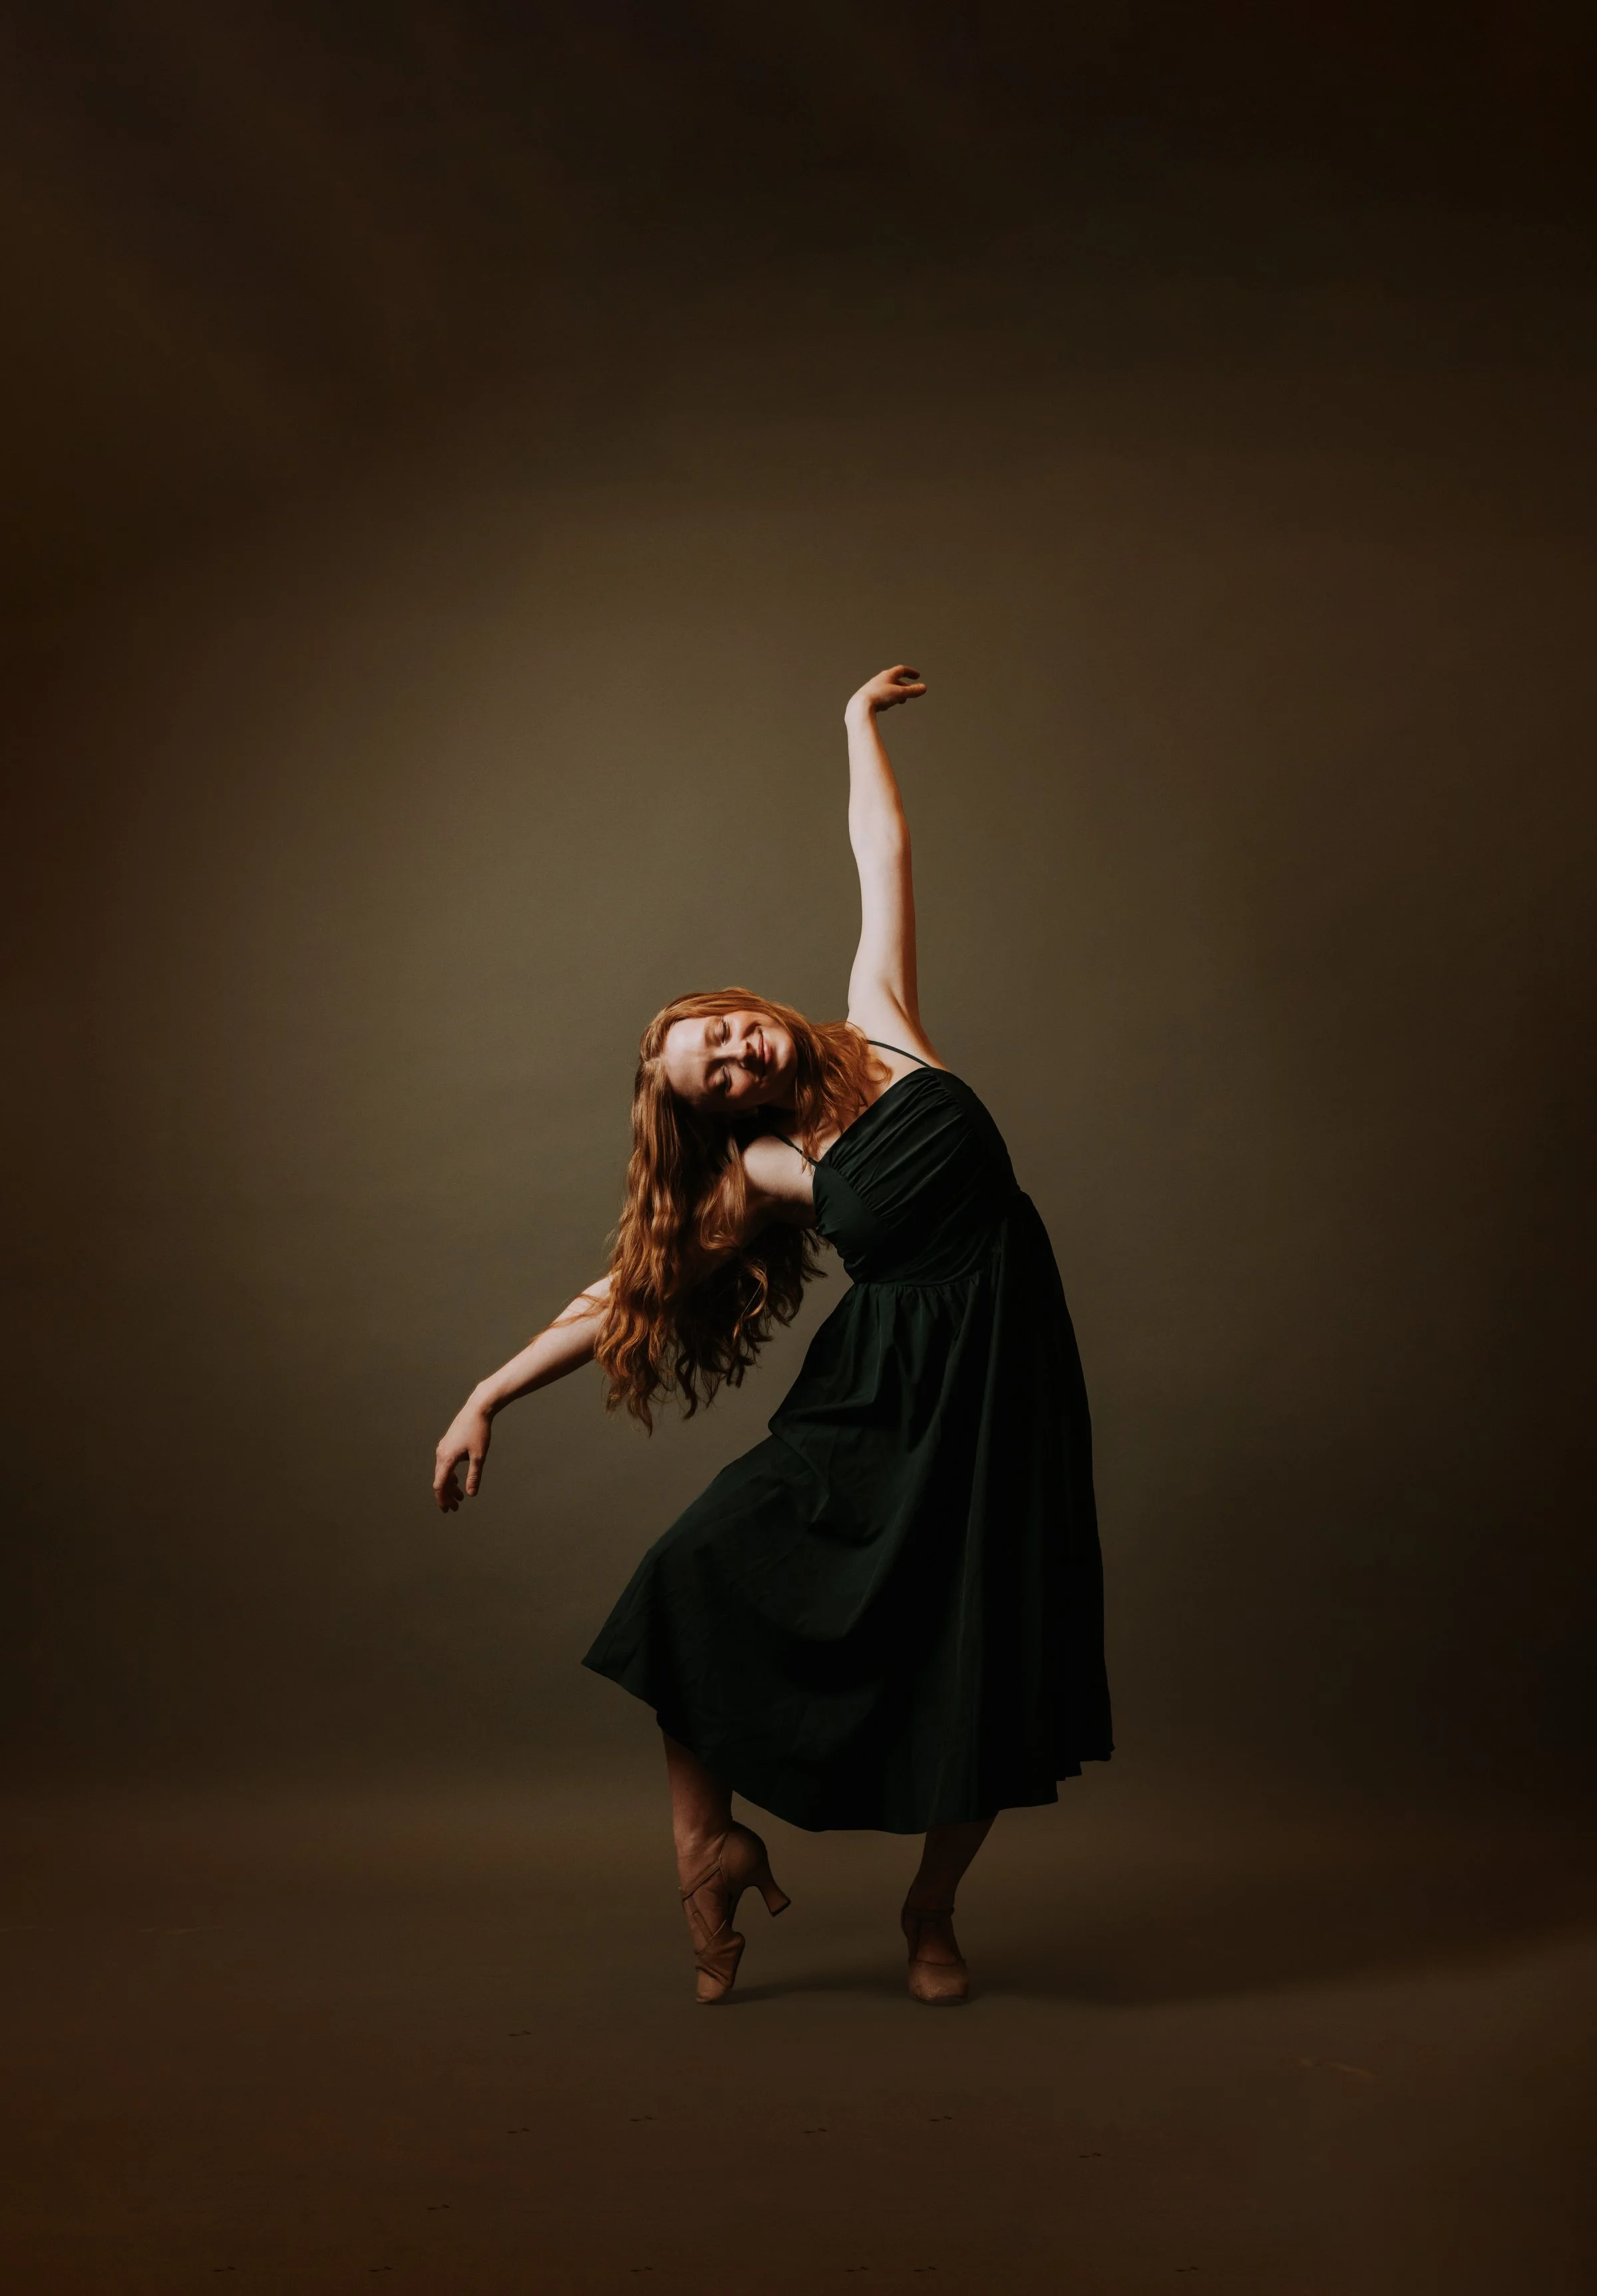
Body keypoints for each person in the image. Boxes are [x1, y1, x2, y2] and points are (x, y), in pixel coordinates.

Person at [433, 665, 1112, 2006]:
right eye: (718, 1073)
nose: (740, 1053)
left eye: (725, 1031)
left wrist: (852, 725)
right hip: (879, 1400)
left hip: (1005, 1378)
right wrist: (487, 1393)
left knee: (987, 1649)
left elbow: (881, 852)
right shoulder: (762, 1170)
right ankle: (709, 1849)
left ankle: (932, 1910)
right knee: (695, 1570)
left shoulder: (882, 1020)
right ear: (721, 1109)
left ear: (740, 1002)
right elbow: (625, 1293)